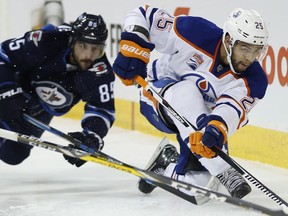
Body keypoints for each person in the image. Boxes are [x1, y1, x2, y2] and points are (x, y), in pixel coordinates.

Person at [113, 6, 269, 203]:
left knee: (196, 187)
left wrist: (216, 130)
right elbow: (143, 15)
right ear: (229, 40)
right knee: (186, 91)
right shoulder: (194, 31)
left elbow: (231, 108)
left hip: (198, 122)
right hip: (157, 99)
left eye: (256, 50)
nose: (249, 57)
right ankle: (223, 169)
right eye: (244, 48)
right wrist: (132, 48)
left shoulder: (255, 80)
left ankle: (165, 163)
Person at [0, 13, 115, 167]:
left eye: (96, 49)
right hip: (17, 87)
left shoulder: (100, 72)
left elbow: (102, 110)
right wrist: (7, 91)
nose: (88, 55)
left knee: (14, 154)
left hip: (41, 108)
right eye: (83, 46)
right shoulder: (47, 41)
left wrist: (91, 137)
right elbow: (4, 54)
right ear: (72, 41)